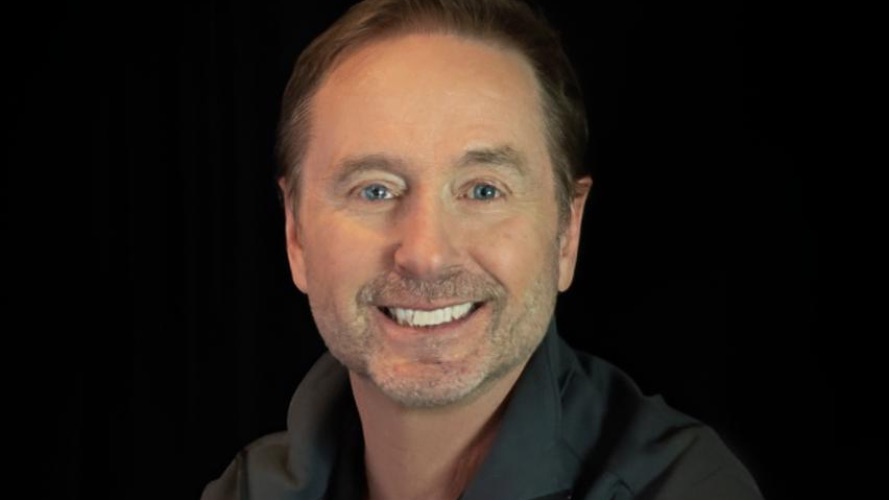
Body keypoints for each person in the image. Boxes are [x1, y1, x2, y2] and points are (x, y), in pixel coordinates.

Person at [202, 0, 763, 498]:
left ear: (567, 233)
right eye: (375, 190)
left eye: (483, 191)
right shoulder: (247, 490)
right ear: (295, 234)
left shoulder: (684, 489)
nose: (426, 254)